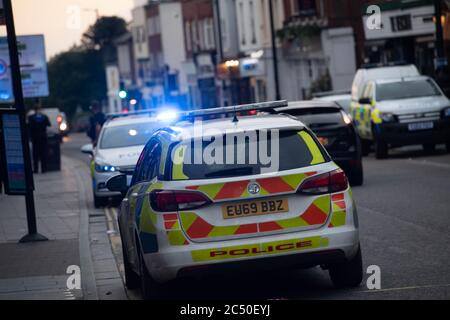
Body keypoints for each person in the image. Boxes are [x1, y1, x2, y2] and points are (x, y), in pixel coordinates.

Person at [28, 105, 51, 173]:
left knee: (36, 154)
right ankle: (44, 169)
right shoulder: (44, 117)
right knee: (42, 153)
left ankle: (36, 169)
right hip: (42, 137)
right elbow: (48, 124)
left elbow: (29, 127)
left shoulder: (31, 117)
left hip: (35, 138)